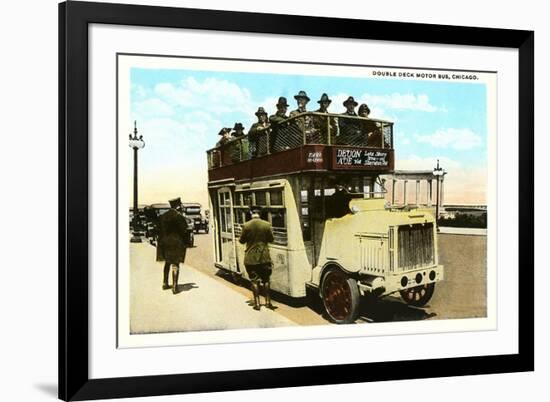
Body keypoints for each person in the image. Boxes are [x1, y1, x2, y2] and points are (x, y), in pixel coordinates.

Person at [238, 207, 275, 311]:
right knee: (266, 280)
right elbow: (271, 239)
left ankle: (257, 304)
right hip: (264, 257)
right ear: (260, 213)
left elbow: (241, 241)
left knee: (254, 281)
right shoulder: (267, 225)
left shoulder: (246, 225)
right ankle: (268, 302)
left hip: (251, 258)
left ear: (251, 213)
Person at [156, 197, 190, 294]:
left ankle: (165, 283)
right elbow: (185, 230)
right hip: (176, 243)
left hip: (164, 243)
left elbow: (158, 229)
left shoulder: (163, 216)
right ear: (178, 206)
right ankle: (175, 287)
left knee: (167, 263)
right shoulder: (179, 216)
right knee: (175, 264)